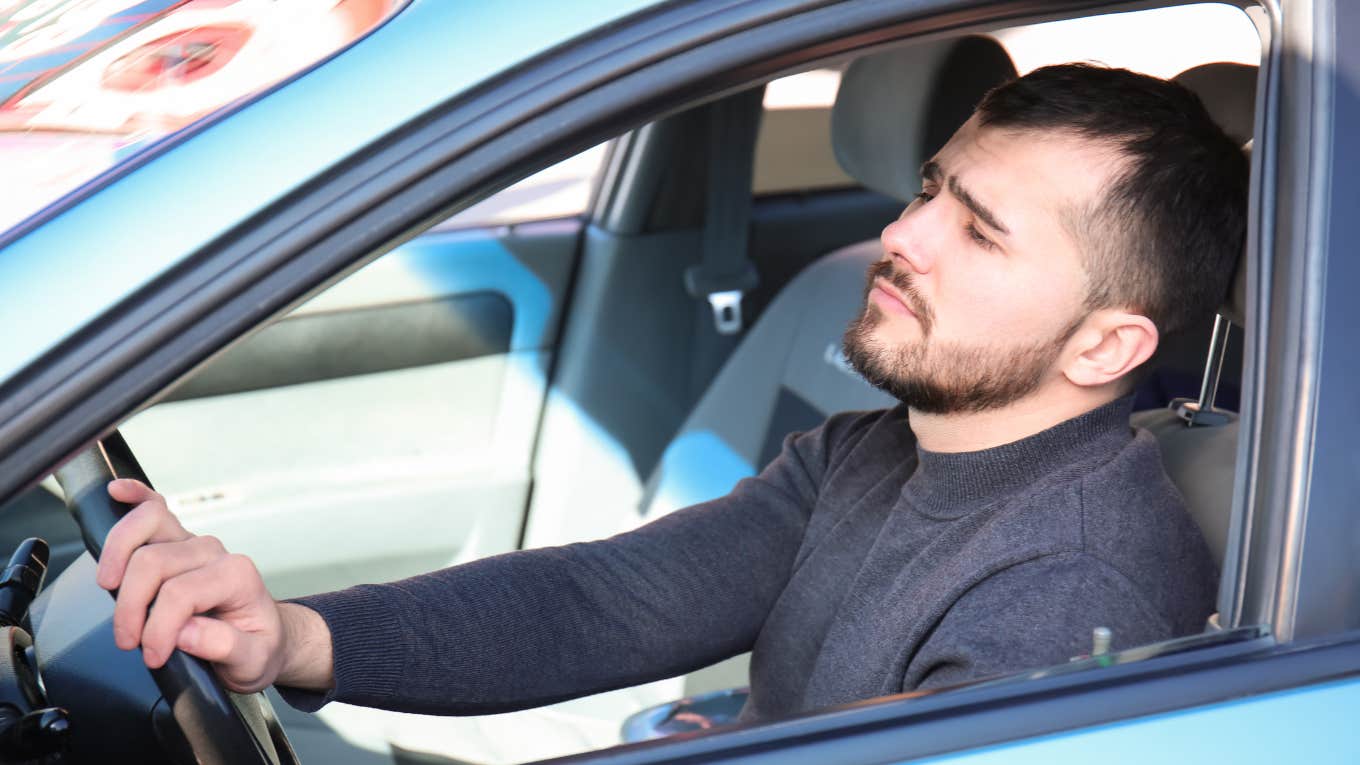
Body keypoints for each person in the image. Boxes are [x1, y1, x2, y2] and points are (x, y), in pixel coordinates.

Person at [94, 63, 1247, 722]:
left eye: (977, 233)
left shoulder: (1066, 591)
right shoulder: (871, 454)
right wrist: (294, 635)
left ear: (1105, 347)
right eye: (928, 192)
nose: (898, 235)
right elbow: (607, 603)